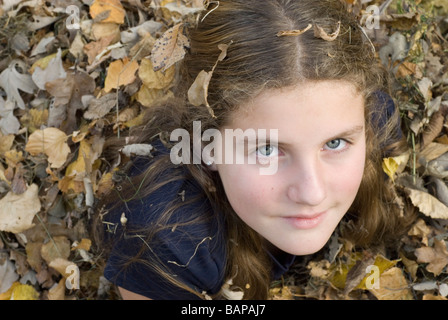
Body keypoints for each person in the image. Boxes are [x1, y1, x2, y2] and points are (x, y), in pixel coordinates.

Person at [95, 0, 415, 300]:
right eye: (267, 150)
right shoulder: (166, 239)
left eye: (334, 144)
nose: (312, 193)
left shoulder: (373, 119)